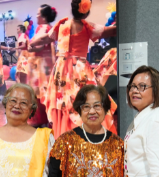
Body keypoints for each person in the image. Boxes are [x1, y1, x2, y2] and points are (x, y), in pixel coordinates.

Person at [37, 0, 116, 138]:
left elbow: (46, 39)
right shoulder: (88, 27)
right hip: (79, 69)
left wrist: (32, 43)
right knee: (83, 100)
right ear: (86, 11)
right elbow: (110, 31)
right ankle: (84, 135)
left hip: (61, 70)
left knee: (63, 103)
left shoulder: (61, 25)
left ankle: (64, 135)